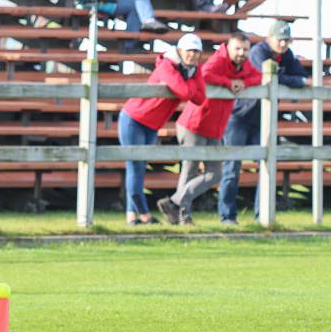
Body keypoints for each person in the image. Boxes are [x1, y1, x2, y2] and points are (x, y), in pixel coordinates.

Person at [157, 33, 261, 225]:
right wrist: (229, 83)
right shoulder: (218, 60)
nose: (241, 53)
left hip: (215, 127)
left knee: (216, 174)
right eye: (237, 49)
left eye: (245, 49)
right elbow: (205, 74)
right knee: (190, 170)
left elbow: (258, 77)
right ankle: (183, 218)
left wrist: (243, 83)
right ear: (228, 48)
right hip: (195, 123)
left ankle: (173, 203)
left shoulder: (244, 65)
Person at [218, 21, 309, 224]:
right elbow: (269, 77)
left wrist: (295, 79)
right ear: (269, 38)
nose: (283, 44)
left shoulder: (286, 55)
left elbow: (300, 74)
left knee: (268, 166)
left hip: (264, 120)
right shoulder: (258, 52)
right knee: (232, 168)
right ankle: (227, 216)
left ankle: (263, 216)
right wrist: (296, 81)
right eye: (280, 39)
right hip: (240, 117)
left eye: (286, 40)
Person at [118, 34, 206, 225]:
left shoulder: (193, 70)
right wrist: (192, 84)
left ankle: (131, 216)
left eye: (196, 51)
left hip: (152, 125)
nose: (192, 55)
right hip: (134, 119)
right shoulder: (167, 65)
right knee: (135, 167)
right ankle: (144, 215)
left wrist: (190, 83)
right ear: (180, 50)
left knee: (140, 168)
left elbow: (200, 98)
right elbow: (185, 92)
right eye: (189, 51)